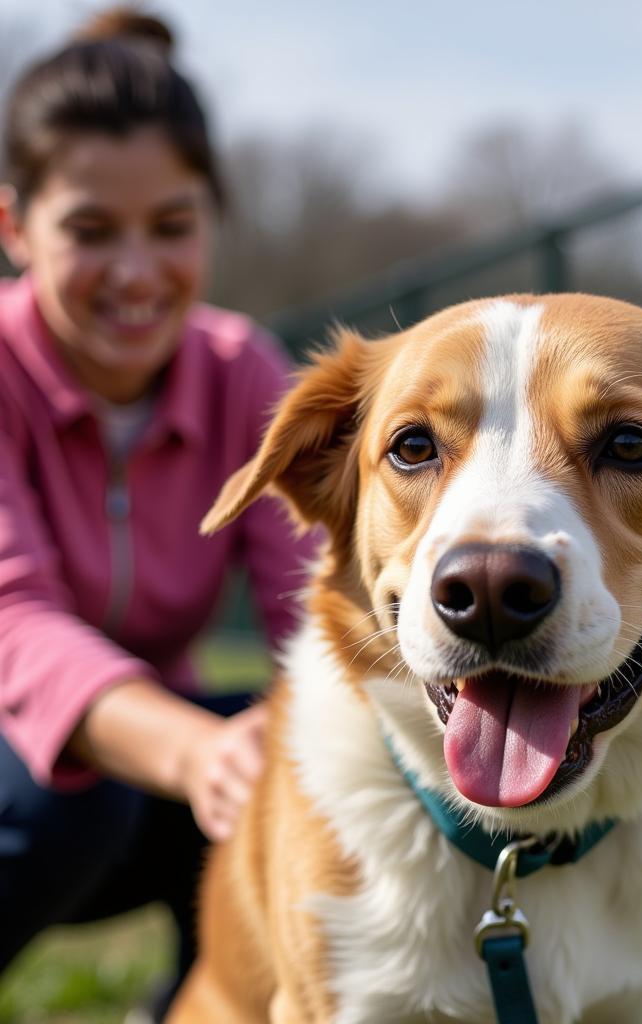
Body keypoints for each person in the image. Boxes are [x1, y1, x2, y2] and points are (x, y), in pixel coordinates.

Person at [0, 8, 315, 1019]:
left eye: (171, 228)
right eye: (91, 231)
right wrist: (192, 751)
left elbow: (317, 597)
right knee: (72, 789)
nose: (137, 272)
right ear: (14, 227)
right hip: (30, 796)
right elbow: (15, 621)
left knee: (290, 755)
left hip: (147, 789)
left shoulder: (243, 374)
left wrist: (311, 725)